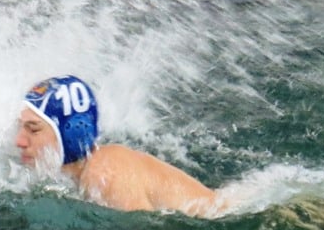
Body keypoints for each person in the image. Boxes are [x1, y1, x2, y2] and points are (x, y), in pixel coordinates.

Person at [15, 75, 226, 218]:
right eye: (21, 127)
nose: (20, 141)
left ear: (71, 134)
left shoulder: (105, 173)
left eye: (33, 130)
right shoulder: (87, 171)